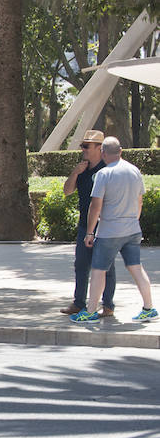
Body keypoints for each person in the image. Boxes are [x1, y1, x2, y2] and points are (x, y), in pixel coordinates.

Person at [71, 136, 156, 323]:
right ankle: (149, 307)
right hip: (132, 229)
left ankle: (91, 311)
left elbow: (96, 205)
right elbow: (139, 200)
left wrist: (90, 232)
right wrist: (134, 219)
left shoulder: (104, 174)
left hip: (110, 231)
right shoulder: (134, 171)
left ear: (103, 153)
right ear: (121, 151)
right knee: (136, 268)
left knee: (98, 271)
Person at [60, 130, 115, 317]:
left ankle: (108, 305)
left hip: (105, 225)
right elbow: (67, 191)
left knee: (106, 266)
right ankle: (78, 302)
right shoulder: (82, 170)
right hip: (84, 225)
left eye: (86, 146)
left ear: (100, 148)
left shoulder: (106, 170)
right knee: (81, 264)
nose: (82, 149)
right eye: (82, 145)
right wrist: (75, 172)